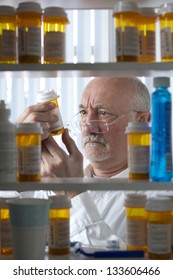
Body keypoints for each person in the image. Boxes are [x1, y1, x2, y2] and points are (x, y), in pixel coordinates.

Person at [16, 77, 151, 246]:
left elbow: (127, 269)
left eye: (103, 113)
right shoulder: (50, 183)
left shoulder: (161, 195)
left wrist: (72, 192)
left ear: (141, 123)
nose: (87, 127)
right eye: (83, 113)